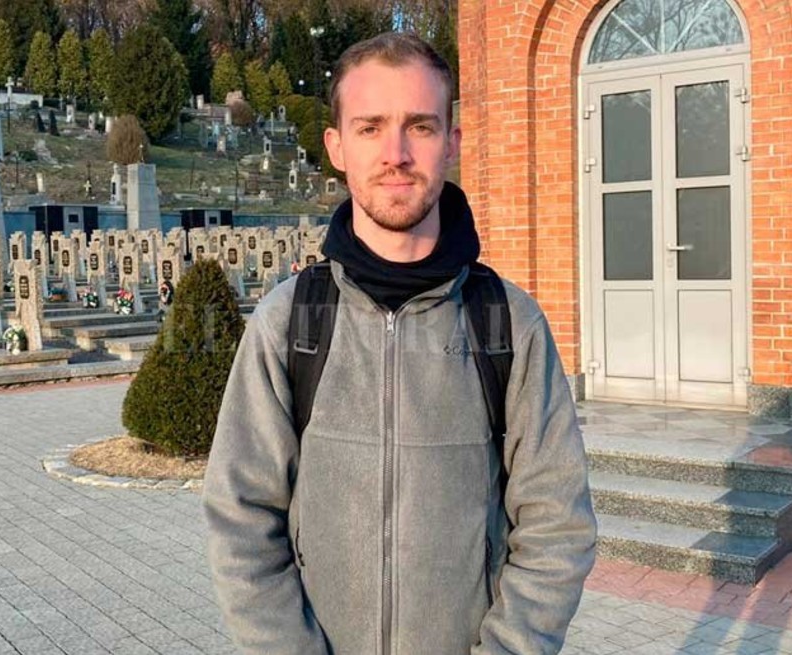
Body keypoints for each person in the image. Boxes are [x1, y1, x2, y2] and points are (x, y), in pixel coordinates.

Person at [203, 32, 596, 654]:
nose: (396, 154)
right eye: (370, 128)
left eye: (420, 126)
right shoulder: (289, 323)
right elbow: (241, 518)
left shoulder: (508, 324)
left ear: (451, 143)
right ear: (336, 146)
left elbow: (558, 526)